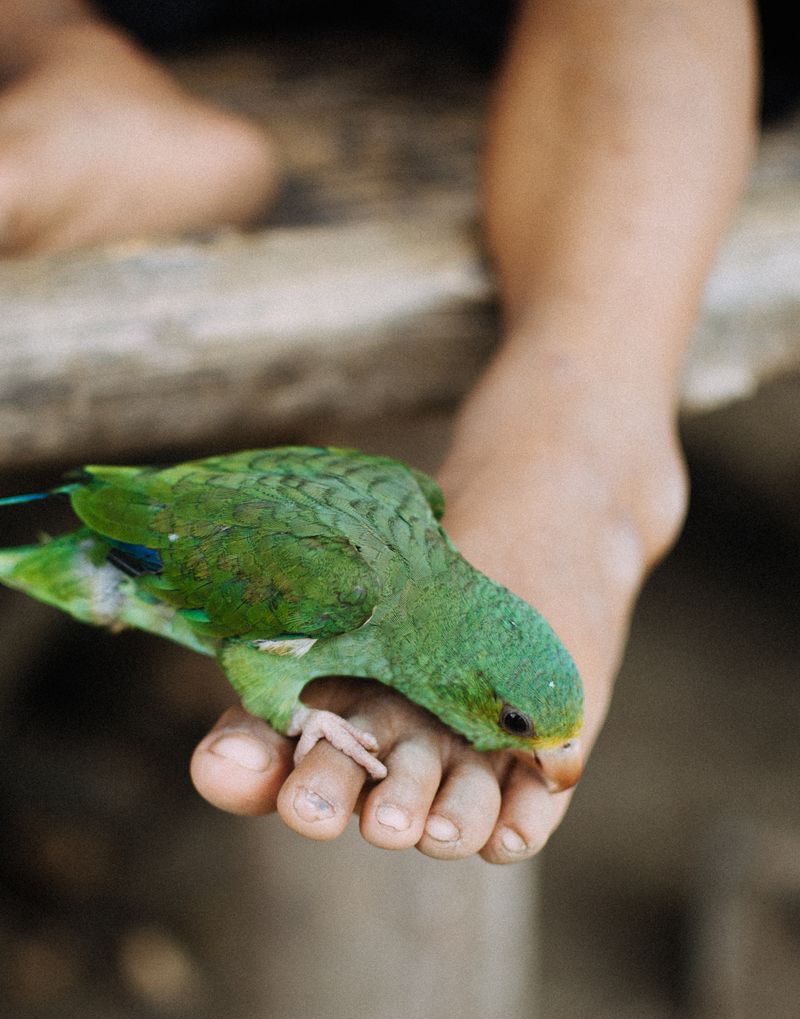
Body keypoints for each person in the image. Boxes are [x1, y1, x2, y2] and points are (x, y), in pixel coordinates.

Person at [0, 1, 758, 862]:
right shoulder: (336, 587)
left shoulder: (408, 498)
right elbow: (247, 626)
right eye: (512, 724)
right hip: (130, 555)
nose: (542, 756)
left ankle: (580, 425)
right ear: (465, 679)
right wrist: (303, 714)